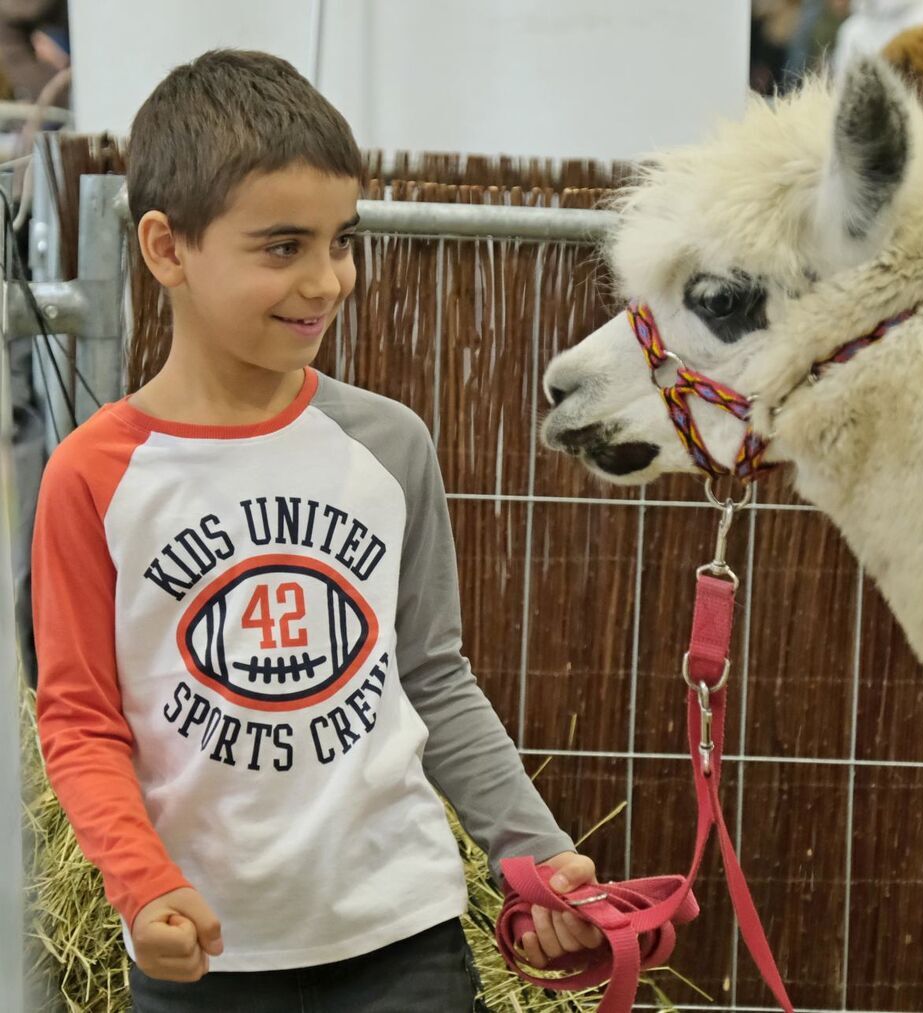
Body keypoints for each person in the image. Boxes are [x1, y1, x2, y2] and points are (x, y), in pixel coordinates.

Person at [32, 49, 602, 1011]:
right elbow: (81, 718)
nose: (329, 279)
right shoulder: (91, 475)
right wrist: (143, 884)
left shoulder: (390, 444)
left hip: (403, 933)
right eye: (283, 246)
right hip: (204, 953)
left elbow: (433, 674)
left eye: (343, 239)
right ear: (168, 249)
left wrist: (535, 848)